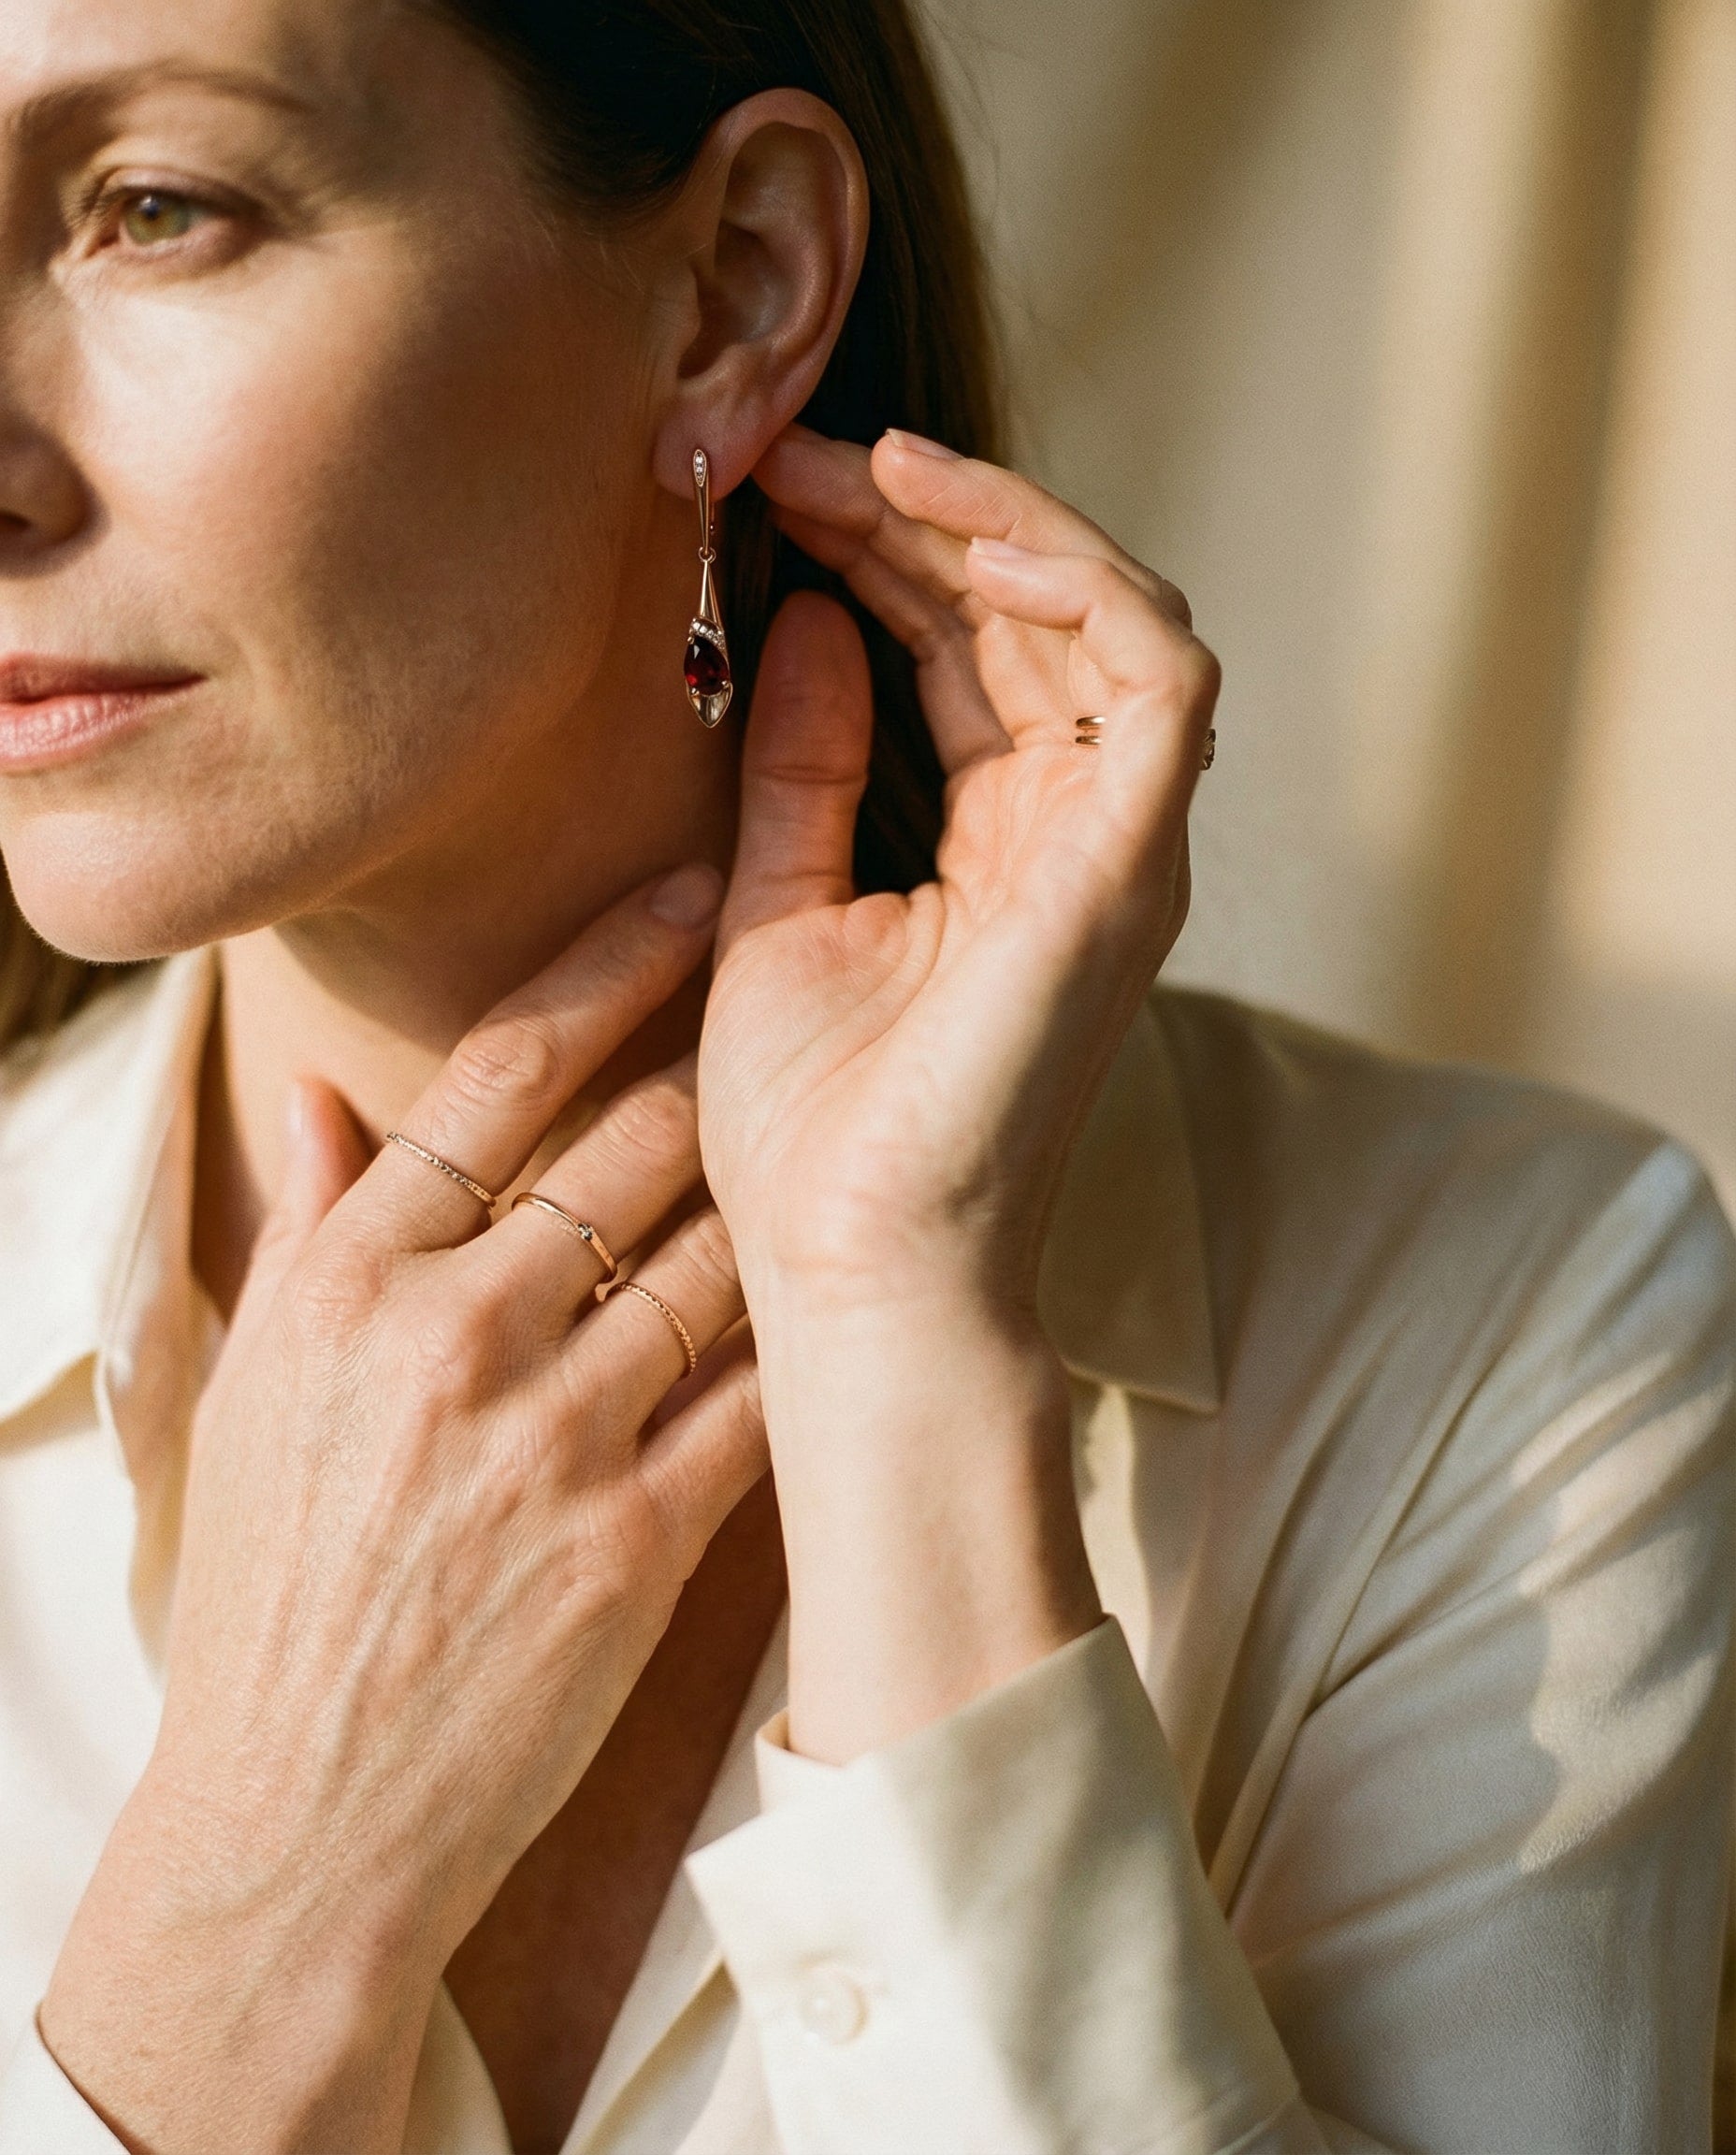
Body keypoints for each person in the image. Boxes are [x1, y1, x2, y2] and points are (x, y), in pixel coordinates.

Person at [0, 1, 1730, 2149]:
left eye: (155, 207)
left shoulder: (1504, 1321)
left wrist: (904, 1344)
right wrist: (244, 1918)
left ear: (735, 284)